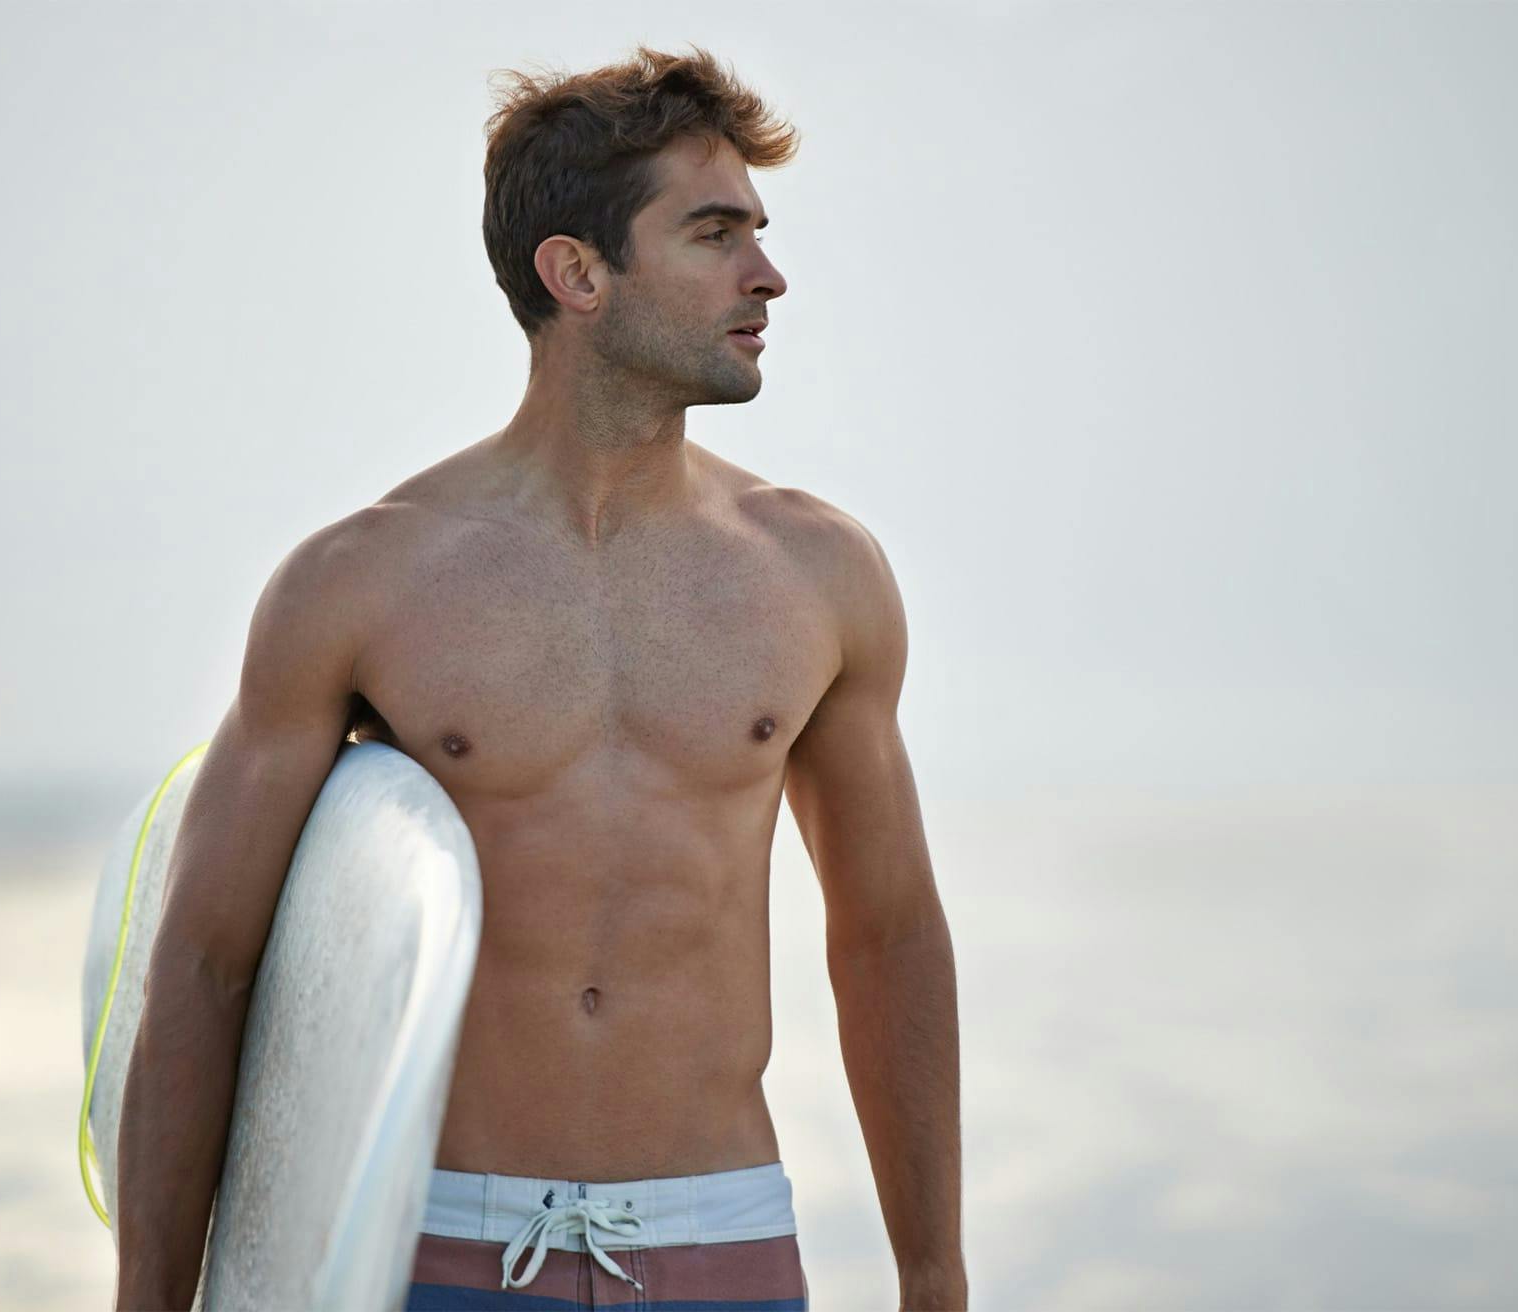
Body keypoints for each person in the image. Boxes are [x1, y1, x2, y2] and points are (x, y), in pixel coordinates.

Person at [111, 43, 965, 1312]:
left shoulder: (818, 576)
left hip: (725, 1246)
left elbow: (887, 938)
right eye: (715, 234)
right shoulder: (361, 585)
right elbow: (202, 964)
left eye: (760, 233)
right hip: (439, 1245)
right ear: (576, 272)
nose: (768, 275)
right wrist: (151, 1298)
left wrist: (934, 1279)